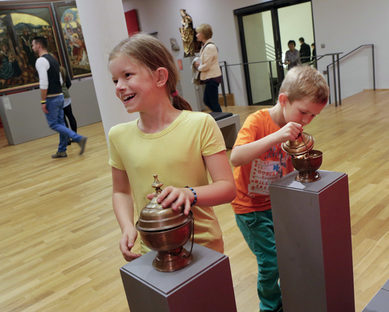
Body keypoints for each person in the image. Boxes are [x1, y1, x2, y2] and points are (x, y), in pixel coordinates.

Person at [107, 33, 236, 261]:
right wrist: (127, 227)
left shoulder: (200, 124)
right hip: (153, 250)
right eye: (115, 80)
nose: (119, 86)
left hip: (204, 246)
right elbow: (120, 191)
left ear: (160, 76)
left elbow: (227, 188)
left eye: (127, 75)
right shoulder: (118, 136)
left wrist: (189, 194)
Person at [230, 66, 329, 312]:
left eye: (313, 116)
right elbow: (236, 157)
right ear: (283, 100)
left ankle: (289, 299)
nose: (306, 120)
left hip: (278, 205)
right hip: (250, 210)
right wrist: (277, 136)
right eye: (304, 112)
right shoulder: (257, 121)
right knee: (271, 262)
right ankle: (270, 307)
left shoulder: (295, 126)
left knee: (289, 255)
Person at [32, 37, 87, 158]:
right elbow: (60, 80)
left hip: (51, 98)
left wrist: (43, 100)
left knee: (53, 124)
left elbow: (43, 83)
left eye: (33, 45)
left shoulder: (41, 61)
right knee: (61, 123)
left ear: (39, 45)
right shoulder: (53, 59)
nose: (32, 48)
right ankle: (62, 150)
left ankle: (79, 138)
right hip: (60, 96)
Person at [194, 24, 223, 112]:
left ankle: (222, 120)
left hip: (212, 78)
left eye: (198, 33)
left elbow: (206, 65)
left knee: (213, 102)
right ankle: (219, 117)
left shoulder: (209, 47)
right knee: (207, 101)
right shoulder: (205, 46)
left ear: (203, 34)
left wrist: (198, 67)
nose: (196, 35)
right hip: (210, 78)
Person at [59, 66, 78, 144]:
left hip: (58, 96)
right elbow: (69, 83)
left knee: (62, 119)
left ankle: (67, 139)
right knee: (70, 116)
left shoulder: (52, 71)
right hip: (66, 95)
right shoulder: (62, 69)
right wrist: (65, 89)